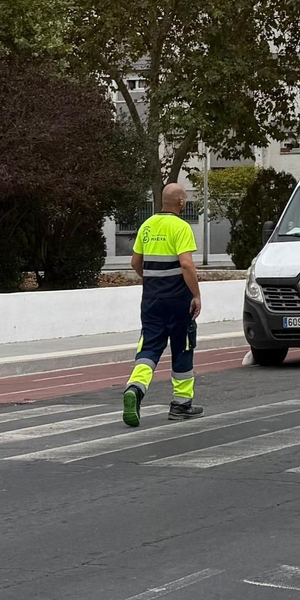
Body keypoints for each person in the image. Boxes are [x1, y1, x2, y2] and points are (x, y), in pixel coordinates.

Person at [122, 183, 204, 427]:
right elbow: (187, 264)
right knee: (182, 348)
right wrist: (196, 294)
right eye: (185, 199)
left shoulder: (147, 226)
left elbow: (135, 262)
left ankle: (135, 389)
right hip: (178, 301)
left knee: (149, 347)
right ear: (179, 202)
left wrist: (152, 280)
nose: (186, 202)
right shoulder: (181, 227)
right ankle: (181, 405)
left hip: (151, 300)